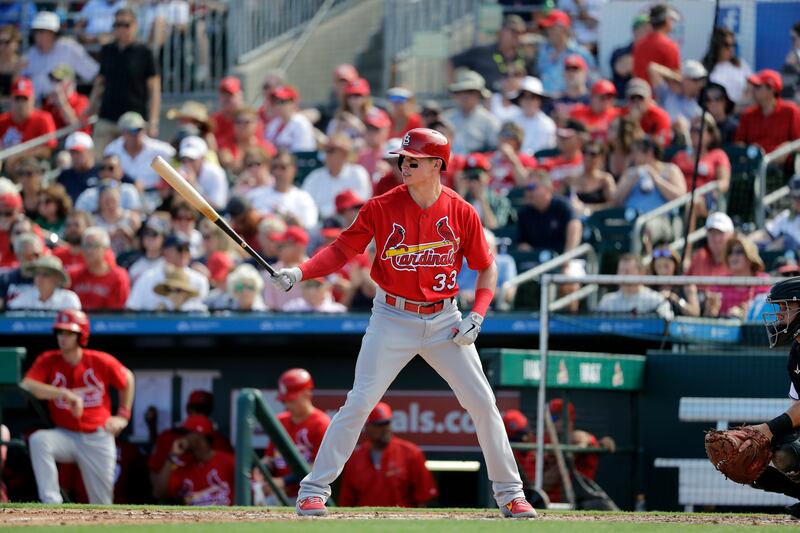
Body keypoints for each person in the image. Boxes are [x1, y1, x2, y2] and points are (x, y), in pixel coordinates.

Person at [269, 128, 537, 518]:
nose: (404, 165)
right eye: (402, 159)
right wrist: (300, 271)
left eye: (413, 160)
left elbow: (486, 268)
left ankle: (511, 494)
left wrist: (478, 314)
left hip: (446, 319)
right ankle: (313, 490)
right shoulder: (381, 206)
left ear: (437, 165)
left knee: (483, 403)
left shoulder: (460, 210)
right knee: (359, 402)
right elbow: (343, 249)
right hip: (392, 316)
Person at [22, 310, 134, 504]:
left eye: (69, 333)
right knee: (39, 440)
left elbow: (128, 378)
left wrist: (123, 415)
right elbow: (28, 385)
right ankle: (51, 503)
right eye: (60, 333)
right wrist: (63, 393)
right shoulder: (48, 359)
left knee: (102, 504)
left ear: (81, 335)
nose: (62, 338)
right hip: (65, 435)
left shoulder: (99, 360)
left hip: (98, 436)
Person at [744, 276, 800, 519]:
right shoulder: (796, 353)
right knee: (774, 452)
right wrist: (764, 438)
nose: (779, 316)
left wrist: (767, 428)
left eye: (786, 307)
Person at [87, 7, 160, 153]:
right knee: (100, 163)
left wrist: (153, 121)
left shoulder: (145, 52)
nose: (121, 29)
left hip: (134, 120)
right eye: (117, 25)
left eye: (125, 24)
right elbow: (100, 83)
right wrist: (89, 109)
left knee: (131, 168)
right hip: (107, 116)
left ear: (135, 26)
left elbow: (155, 89)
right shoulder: (107, 50)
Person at [339, 401, 438, 507]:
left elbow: (424, 497)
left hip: (401, 520)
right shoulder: (355, 457)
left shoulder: (411, 453)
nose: (385, 429)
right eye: (379, 425)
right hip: (366, 520)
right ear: (368, 427)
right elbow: (347, 501)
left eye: (387, 423)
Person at [260, 369, 331, 503]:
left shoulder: (321, 423)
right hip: (279, 494)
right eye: (284, 400)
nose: (287, 404)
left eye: (291, 400)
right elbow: (269, 458)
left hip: (309, 497)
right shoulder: (280, 421)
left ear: (307, 393)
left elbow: (321, 468)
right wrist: (263, 470)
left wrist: (284, 481)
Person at [148, 390, 234, 489]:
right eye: (196, 409)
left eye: (203, 410)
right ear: (188, 409)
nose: (199, 414)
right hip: (178, 497)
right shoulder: (169, 438)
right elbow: (156, 483)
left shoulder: (222, 443)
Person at [543, 399, 616, 503]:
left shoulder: (581, 438)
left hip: (579, 502)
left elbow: (593, 441)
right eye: (551, 418)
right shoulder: (543, 441)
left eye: (554, 418)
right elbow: (539, 485)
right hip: (546, 503)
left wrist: (599, 442)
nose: (551, 422)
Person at [152, 414, 235, 506]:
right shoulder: (183, 465)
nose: (182, 438)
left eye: (186, 434)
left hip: (224, 518)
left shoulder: (228, 461)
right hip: (193, 519)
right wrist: (172, 456)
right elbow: (159, 493)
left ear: (198, 437)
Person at [22, 11, 99, 103]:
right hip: (38, 107)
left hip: (65, 106)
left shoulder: (69, 48)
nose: (38, 36)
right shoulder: (31, 54)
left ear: (54, 33)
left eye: (43, 31)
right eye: (36, 32)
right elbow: (21, 84)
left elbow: (93, 72)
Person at [448, 14, 534, 92]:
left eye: (521, 32)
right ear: (502, 32)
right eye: (514, 31)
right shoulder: (482, 52)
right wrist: (453, 91)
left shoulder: (525, 57)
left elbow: (533, 84)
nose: (518, 36)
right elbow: (450, 62)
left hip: (513, 106)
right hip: (484, 104)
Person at [126, 233, 209, 311]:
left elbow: (203, 316)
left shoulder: (200, 280)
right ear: (166, 252)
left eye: (187, 249)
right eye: (180, 249)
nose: (184, 253)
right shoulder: (147, 277)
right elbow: (132, 309)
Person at [671, 114, 730, 218]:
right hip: (678, 198)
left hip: (704, 201)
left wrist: (711, 190)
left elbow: (724, 183)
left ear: (710, 135)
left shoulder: (718, 155)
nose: (694, 134)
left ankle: (689, 234)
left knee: (693, 202)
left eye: (699, 130)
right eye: (692, 130)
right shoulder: (680, 155)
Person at [301, 134, 371, 221]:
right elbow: (304, 204)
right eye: (326, 150)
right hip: (320, 225)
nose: (327, 154)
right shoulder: (315, 176)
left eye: (331, 150)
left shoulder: (358, 174)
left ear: (344, 154)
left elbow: (361, 206)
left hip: (349, 225)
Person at [103, 111, 175, 192]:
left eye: (138, 129)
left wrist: (165, 185)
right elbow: (107, 175)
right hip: (123, 195)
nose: (135, 134)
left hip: (154, 195)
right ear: (123, 132)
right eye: (131, 131)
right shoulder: (112, 150)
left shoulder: (160, 149)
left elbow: (177, 161)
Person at [734, 69, 800, 155]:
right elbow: (738, 144)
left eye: (758, 86)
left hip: (782, 167)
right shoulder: (748, 115)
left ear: (772, 89)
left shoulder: (791, 111)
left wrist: (786, 149)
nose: (753, 90)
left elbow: (798, 143)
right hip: (753, 165)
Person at [612, 136, 686, 213]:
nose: (632, 157)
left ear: (649, 153)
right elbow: (615, 202)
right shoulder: (630, 172)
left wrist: (656, 179)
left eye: (636, 152)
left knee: (648, 225)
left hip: (659, 218)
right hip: (630, 216)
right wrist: (632, 181)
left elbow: (680, 198)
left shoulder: (671, 170)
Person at [517, 169, 582, 254]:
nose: (528, 192)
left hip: (565, 258)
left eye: (532, 187)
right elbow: (520, 242)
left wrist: (567, 258)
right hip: (540, 262)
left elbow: (575, 226)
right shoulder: (524, 212)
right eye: (526, 188)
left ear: (548, 188)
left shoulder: (562, 206)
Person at [705, 235, 768, 319]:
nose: (733, 256)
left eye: (739, 252)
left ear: (750, 256)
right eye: (730, 252)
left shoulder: (765, 282)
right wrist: (712, 311)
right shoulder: (720, 284)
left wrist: (749, 313)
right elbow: (708, 318)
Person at [536, 9, 596, 97]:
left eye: (552, 28)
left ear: (563, 28)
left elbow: (593, 81)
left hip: (573, 104)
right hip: (547, 103)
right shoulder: (543, 52)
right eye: (548, 29)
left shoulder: (581, 53)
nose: (548, 32)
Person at [596, 254, 673, 319]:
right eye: (620, 271)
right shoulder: (607, 301)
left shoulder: (656, 300)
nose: (622, 276)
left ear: (641, 273)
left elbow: (668, 326)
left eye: (627, 272)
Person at [70, 226, 130, 310]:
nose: (88, 251)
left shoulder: (118, 277)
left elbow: (117, 314)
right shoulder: (73, 275)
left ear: (105, 249)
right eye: (85, 246)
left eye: (93, 246)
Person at [0, 77, 56, 164]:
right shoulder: (2, 120)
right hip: (5, 165)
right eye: (17, 98)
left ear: (33, 100)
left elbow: (47, 150)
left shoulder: (43, 119)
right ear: (11, 100)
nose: (20, 104)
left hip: (32, 167)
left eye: (25, 99)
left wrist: (19, 156)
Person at [444, 69, 500, 154]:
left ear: (479, 95)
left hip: (478, 164)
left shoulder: (489, 121)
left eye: (470, 92)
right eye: (461, 92)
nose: (465, 96)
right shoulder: (446, 119)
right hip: (450, 163)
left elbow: (495, 148)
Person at [456, 153, 515, 230]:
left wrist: (482, 200)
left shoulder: (499, 200)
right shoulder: (460, 199)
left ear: (487, 176)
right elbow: (453, 225)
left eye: (476, 177)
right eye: (469, 177)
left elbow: (494, 228)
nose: (473, 181)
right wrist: (461, 195)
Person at [75, 154, 142, 214]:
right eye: (102, 168)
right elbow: (79, 217)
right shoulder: (88, 195)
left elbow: (135, 218)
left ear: (121, 172)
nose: (106, 172)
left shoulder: (129, 191)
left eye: (111, 168)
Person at [8, 255, 80, 311]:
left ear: (56, 278)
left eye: (45, 274)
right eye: (37, 273)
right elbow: (10, 318)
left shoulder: (69, 299)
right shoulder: (25, 297)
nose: (40, 278)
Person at [563, 139, 616, 215]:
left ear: (601, 157)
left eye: (593, 154)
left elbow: (613, 205)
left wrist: (586, 208)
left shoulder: (605, 180)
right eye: (585, 152)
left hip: (597, 221)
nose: (587, 157)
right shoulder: (569, 180)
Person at [632, 3, 680, 82]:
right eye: (671, 20)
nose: (672, 23)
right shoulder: (670, 46)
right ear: (667, 21)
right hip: (661, 94)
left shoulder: (639, 45)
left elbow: (636, 74)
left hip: (642, 93)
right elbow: (675, 78)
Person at [649, 59, 707, 124]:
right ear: (684, 79)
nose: (700, 84)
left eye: (701, 80)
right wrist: (676, 78)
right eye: (695, 79)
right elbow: (652, 68)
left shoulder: (699, 106)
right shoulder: (667, 94)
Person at [178, 136, 228, 210]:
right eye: (184, 160)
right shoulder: (182, 170)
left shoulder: (216, 173)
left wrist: (194, 186)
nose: (187, 164)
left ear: (202, 158)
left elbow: (218, 206)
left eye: (191, 159)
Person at [486, 121, 538, 193]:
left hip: (512, 198)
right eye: (501, 135)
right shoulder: (490, 157)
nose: (502, 139)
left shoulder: (527, 159)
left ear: (517, 140)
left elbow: (525, 184)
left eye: (507, 136)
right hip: (491, 195)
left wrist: (512, 159)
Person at [649, 245, 700, 317]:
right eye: (658, 267)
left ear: (675, 265)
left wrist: (676, 300)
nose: (662, 271)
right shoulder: (649, 286)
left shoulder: (687, 285)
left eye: (666, 266)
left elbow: (695, 313)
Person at [510, 76, 556, 155]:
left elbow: (546, 152)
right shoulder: (511, 121)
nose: (529, 101)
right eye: (525, 97)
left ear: (540, 101)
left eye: (533, 97)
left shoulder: (547, 124)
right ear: (519, 100)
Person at [263, 85, 316, 153]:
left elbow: (301, 153)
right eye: (275, 101)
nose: (277, 105)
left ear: (293, 103)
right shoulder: (274, 123)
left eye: (281, 101)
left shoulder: (301, 123)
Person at [622, 78, 672, 147]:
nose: (637, 103)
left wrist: (635, 124)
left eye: (640, 98)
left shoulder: (659, 116)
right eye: (633, 98)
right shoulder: (623, 115)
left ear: (649, 99)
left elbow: (660, 146)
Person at [610, 14, 650, 96]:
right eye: (644, 29)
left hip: (647, 100)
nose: (648, 33)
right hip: (623, 101)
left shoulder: (654, 52)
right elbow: (622, 69)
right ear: (635, 31)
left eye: (650, 30)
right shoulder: (619, 52)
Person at [41, 64, 89, 132]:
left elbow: (77, 127)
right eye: (52, 80)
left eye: (58, 80)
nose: (54, 83)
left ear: (70, 82)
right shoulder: (50, 101)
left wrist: (62, 103)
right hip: (53, 139)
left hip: (71, 140)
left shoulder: (82, 100)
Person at [687, 211, 734, 277]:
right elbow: (686, 281)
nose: (716, 238)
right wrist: (689, 286)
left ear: (731, 235)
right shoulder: (699, 256)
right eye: (712, 233)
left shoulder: (739, 258)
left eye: (720, 233)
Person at [57, 132, 100, 203]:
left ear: (90, 151)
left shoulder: (103, 171)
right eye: (72, 153)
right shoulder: (64, 176)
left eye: (79, 152)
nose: (75, 157)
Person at [0, 25, 25, 109]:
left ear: (16, 43)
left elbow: (20, 93)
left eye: (7, 42)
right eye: (0, 42)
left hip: (14, 108)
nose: (2, 46)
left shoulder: (22, 64)